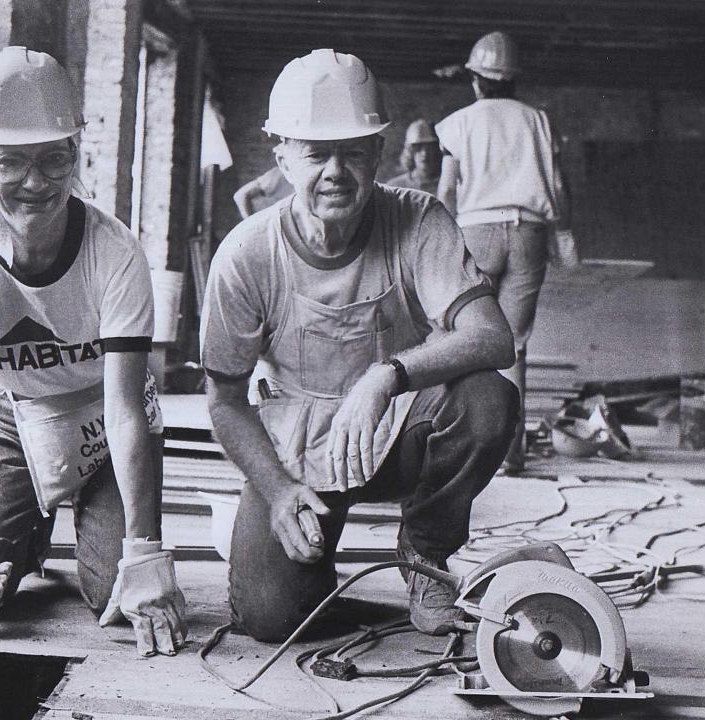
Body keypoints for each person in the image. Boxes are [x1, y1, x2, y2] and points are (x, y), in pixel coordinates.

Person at [200, 49, 518, 641]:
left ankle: (424, 553)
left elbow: (492, 338)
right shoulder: (246, 255)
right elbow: (223, 399)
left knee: (487, 397)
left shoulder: (419, 220)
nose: (335, 171)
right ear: (283, 159)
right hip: (299, 447)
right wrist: (275, 490)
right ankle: (314, 572)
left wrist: (385, 376)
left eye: (353, 151)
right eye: (317, 153)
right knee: (271, 618)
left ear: (378, 152)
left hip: (399, 429)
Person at [0, 47, 186, 657]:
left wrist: (145, 553)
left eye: (53, 159)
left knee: (115, 598)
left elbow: (126, 411)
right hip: (16, 420)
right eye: (10, 162)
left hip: (105, 423)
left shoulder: (115, 253)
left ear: (76, 153)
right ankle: (26, 524)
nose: (35, 182)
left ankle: (78, 520)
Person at [436, 31, 576, 473]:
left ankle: (457, 448)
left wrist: (440, 246)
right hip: (529, 232)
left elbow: (445, 193)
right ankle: (509, 456)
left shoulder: (457, 122)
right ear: (514, 80)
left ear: (475, 79)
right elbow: (557, 187)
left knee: (463, 336)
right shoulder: (539, 120)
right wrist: (565, 233)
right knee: (514, 346)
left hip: (476, 229)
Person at [385, 119, 442, 195]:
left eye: (430, 148)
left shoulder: (449, 185)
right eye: (418, 147)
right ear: (409, 151)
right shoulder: (395, 187)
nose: (425, 153)